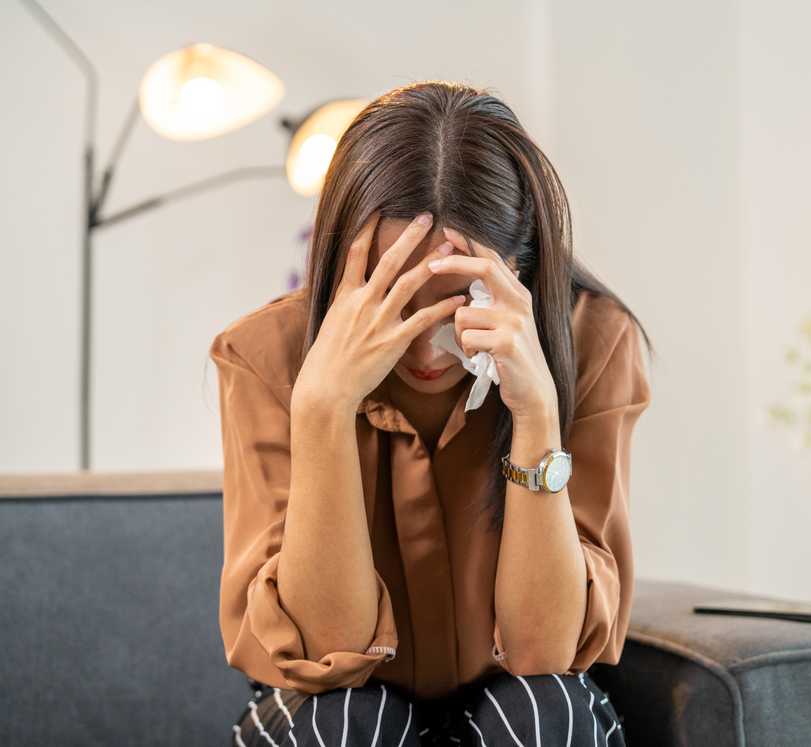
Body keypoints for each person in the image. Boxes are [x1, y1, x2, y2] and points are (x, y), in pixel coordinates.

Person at [210, 80, 654, 746]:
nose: (422, 346)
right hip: (337, 704)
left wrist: (535, 415)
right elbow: (328, 652)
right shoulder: (265, 356)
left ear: (519, 272)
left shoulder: (593, 340)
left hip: (515, 698)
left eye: (454, 304)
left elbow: (543, 651)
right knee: (346, 724)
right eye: (396, 299)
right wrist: (325, 411)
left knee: (544, 714)